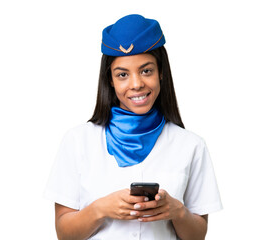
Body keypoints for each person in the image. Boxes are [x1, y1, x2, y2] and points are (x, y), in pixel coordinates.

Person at [44, 14, 222, 240]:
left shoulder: (191, 145)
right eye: (122, 75)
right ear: (110, 79)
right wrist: (101, 209)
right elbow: (64, 234)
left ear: (162, 72)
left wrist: (177, 211)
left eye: (146, 70)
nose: (137, 84)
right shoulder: (78, 140)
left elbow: (197, 236)